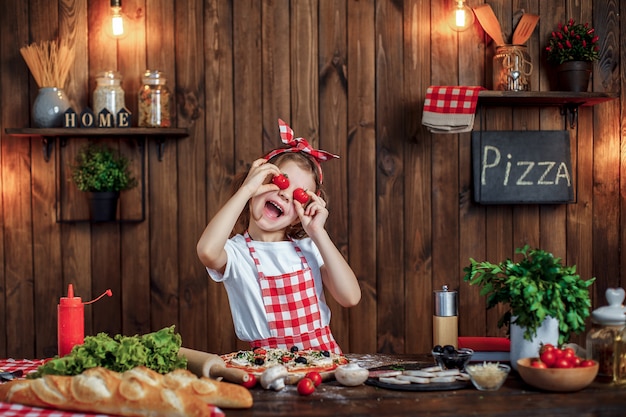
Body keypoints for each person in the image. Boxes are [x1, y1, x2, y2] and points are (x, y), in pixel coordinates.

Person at [197, 119, 361, 354]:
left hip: (323, 362)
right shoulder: (236, 253)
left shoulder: (310, 248)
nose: (285, 194)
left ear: (298, 216)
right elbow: (206, 251)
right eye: (278, 181)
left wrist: (318, 233)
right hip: (268, 365)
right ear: (257, 183)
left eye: (299, 195)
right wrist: (245, 190)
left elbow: (350, 297)